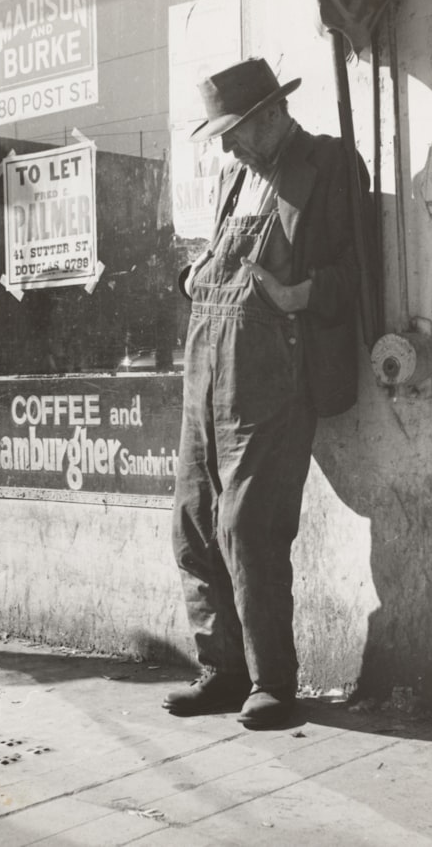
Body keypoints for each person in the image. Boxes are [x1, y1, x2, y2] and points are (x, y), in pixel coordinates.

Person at [164, 56, 368, 729]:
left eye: (237, 130)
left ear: (275, 113)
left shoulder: (329, 165)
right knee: (193, 525)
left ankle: (273, 681)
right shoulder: (234, 178)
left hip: (275, 378)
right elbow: (223, 263)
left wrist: (297, 294)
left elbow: (358, 274)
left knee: (248, 525)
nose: (226, 144)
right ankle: (222, 670)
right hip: (207, 374)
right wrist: (196, 271)